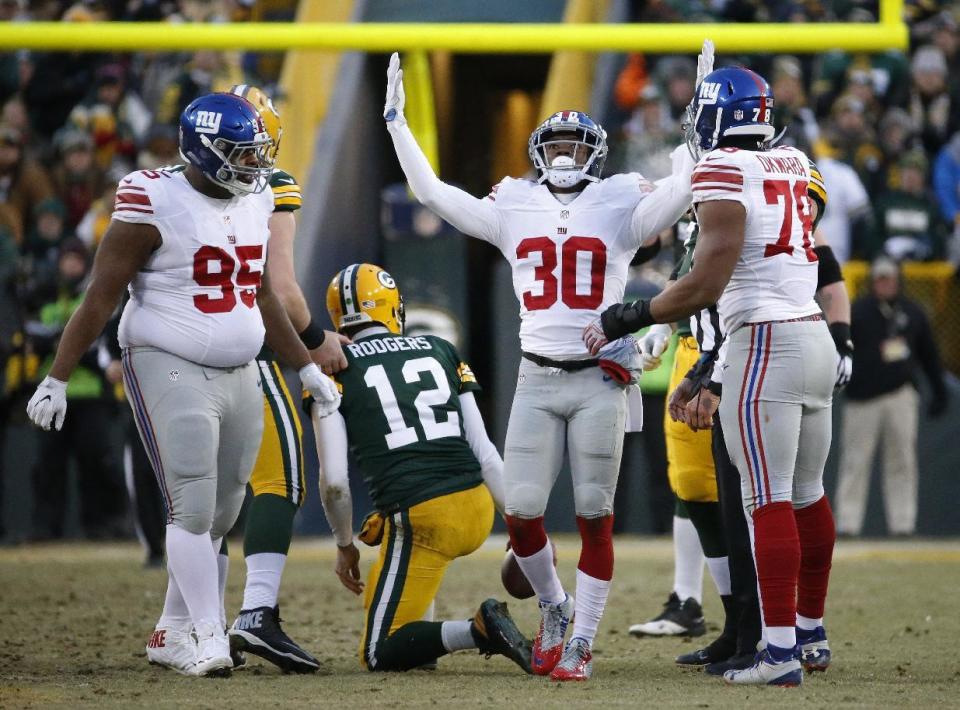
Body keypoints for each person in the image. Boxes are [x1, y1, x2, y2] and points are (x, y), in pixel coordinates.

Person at [384, 48, 695, 681]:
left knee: (593, 514)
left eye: (576, 147)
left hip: (599, 379)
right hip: (537, 376)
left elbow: (682, 188)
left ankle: (582, 639)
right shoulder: (512, 205)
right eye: (554, 145)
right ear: (535, 151)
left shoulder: (619, 202)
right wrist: (396, 123)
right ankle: (555, 609)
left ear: (597, 155)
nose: (563, 156)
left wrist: (697, 128)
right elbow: (431, 193)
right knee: (522, 510)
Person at [24, 92, 341, 678]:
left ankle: (172, 630)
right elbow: (101, 295)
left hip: (242, 366)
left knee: (223, 511)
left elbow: (263, 294)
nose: (253, 165)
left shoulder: (258, 196)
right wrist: (58, 377)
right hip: (165, 356)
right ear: (201, 148)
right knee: (192, 506)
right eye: (240, 154)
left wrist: (305, 365)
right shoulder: (151, 197)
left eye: (256, 154)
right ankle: (208, 634)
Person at [587, 65, 839, 687]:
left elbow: (706, 283)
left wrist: (630, 314)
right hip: (813, 333)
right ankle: (808, 633)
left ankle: (777, 653)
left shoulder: (722, 168)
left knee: (768, 497)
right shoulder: (795, 163)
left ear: (716, 116)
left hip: (767, 342)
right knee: (807, 495)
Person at [309, 263, 531, 674]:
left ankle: (478, 631)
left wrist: (344, 545)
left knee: (377, 651)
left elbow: (336, 483)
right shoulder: (439, 348)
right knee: (398, 587)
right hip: (477, 509)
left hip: (424, 517)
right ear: (394, 307)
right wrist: (519, 525)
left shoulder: (330, 371)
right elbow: (484, 452)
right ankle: (422, 642)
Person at [225, 84, 348, 674]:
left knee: (200, 500)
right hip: (246, 345)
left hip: (173, 351)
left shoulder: (166, 184)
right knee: (280, 478)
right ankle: (256, 612)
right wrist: (316, 342)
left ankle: (184, 622)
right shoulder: (270, 183)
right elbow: (280, 290)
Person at [835, 256, 948, 537]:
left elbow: (929, 354)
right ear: (873, 281)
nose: (885, 284)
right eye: (880, 279)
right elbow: (840, 350)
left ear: (899, 280)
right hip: (863, 398)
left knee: (902, 461)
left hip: (900, 395)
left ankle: (903, 524)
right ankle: (848, 523)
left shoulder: (912, 312)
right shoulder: (858, 311)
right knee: (855, 462)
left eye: (890, 278)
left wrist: (939, 390)